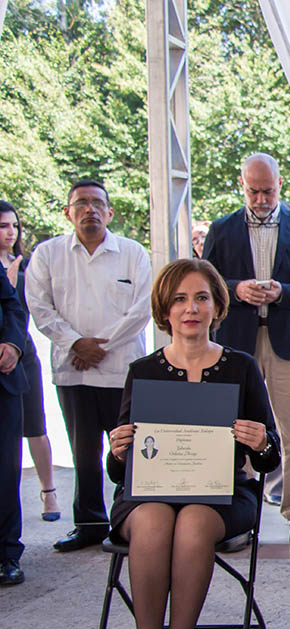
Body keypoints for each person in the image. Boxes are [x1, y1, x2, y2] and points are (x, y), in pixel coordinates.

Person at [105, 258, 280, 629]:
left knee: (195, 523)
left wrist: (261, 441)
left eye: (201, 297)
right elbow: (118, 470)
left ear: (217, 305)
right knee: (155, 520)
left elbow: (271, 457)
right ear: (165, 309)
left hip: (221, 494)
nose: (191, 308)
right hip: (150, 494)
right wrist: (118, 451)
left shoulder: (240, 366)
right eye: (180, 298)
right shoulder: (143, 369)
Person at [202, 153, 290, 523]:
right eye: (254, 191)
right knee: (233, 429)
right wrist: (236, 289)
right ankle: (234, 512)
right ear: (242, 184)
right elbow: (206, 284)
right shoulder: (222, 229)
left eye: (268, 192)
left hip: (288, 341)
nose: (261, 200)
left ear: (280, 186)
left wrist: (283, 293)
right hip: (236, 342)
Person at [25, 180, 152, 552]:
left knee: (128, 449)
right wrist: (75, 343)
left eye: (98, 203)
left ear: (110, 212)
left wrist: (102, 346)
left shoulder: (131, 252)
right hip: (73, 368)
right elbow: (40, 306)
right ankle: (89, 524)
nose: (90, 210)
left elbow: (142, 307)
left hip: (121, 369)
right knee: (83, 451)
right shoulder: (48, 254)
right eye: (81, 203)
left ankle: (128, 522)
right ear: (68, 212)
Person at [1, 200, 59, 523]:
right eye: (3, 226)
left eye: (14, 226)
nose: (10, 232)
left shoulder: (26, 264)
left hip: (23, 352)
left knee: (35, 424)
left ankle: (49, 492)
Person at [0, 257, 29, 585]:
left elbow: (12, 305)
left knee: (6, 471)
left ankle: (7, 554)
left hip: (3, 378)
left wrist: (11, 342)